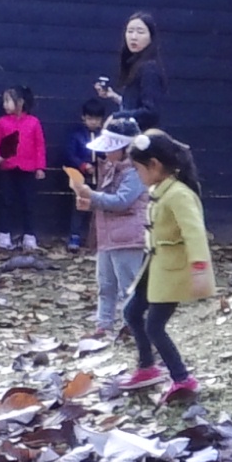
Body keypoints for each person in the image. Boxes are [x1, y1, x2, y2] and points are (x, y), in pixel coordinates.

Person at [120, 130, 210, 403]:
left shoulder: (178, 195)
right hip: (154, 267)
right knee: (132, 312)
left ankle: (182, 378)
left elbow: (195, 233)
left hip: (173, 271)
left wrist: (199, 268)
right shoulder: (161, 191)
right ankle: (147, 367)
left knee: (155, 326)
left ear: (155, 165)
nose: (138, 174)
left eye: (138, 169)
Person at [62, 125, 148, 333]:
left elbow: (121, 201)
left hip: (128, 238)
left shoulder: (136, 172)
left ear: (125, 149)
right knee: (105, 285)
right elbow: (108, 200)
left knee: (128, 287)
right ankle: (103, 325)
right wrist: (89, 203)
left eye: (111, 148)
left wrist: (90, 195)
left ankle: (133, 326)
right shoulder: (112, 167)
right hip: (108, 236)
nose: (106, 153)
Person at [0, 85, 47, 251]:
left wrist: (40, 167)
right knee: (6, 201)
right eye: (4, 101)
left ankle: (29, 235)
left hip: (27, 169)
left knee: (28, 203)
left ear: (20, 102)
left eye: (8, 101)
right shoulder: (2, 122)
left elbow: (39, 146)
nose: (4, 105)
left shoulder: (34, 123)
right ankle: (4, 233)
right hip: (7, 167)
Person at [61, 95, 117, 250]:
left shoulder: (104, 137)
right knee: (79, 206)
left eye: (96, 119)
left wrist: (103, 165)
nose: (93, 122)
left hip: (101, 178)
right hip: (81, 178)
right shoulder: (76, 135)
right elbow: (69, 154)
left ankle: (97, 237)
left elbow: (109, 154)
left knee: (99, 207)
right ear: (83, 118)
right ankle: (75, 236)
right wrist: (83, 165)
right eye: (90, 118)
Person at [97, 12, 167, 131]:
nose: (133, 37)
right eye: (130, 31)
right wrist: (114, 97)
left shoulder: (149, 68)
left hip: (143, 138)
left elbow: (151, 112)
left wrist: (117, 116)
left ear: (151, 37)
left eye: (140, 32)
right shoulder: (135, 64)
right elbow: (134, 105)